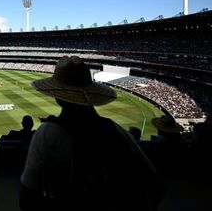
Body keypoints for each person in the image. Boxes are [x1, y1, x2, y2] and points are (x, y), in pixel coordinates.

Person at [20, 56, 165, 211]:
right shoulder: (115, 129)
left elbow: (27, 200)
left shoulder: (46, 133)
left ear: (57, 97)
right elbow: (156, 188)